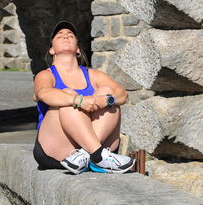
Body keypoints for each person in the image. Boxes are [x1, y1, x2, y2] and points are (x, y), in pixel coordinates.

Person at [32, 20, 135, 174]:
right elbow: (43, 93)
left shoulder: (94, 75)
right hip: (56, 147)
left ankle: (89, 154)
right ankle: (98, 156)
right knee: (68, 94)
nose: (65, 36)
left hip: (86, 151)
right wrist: (80, 101)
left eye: (70, 35)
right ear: (52, 50)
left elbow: (122, 94)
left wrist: (105, 100)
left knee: (107, 91)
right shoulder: (46, 75)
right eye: (60, 35)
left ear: (78, 49)